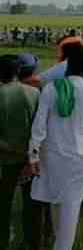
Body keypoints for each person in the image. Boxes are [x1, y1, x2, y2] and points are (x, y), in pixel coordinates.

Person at [27, 46, 83, 250]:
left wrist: (33, 155)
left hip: (51, 158)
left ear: (66, 64)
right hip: (79, 160)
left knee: (55, 207)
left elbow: (39, 125)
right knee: (69, 217)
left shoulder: (51, 89)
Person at [0, 55, 42, 250]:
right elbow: (40, 129)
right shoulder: (34, 93)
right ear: (18, 72)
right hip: (31, 158)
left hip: (6, 160)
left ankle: (3, 239)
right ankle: (33, 241)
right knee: (32, 204)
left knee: (4, 203)